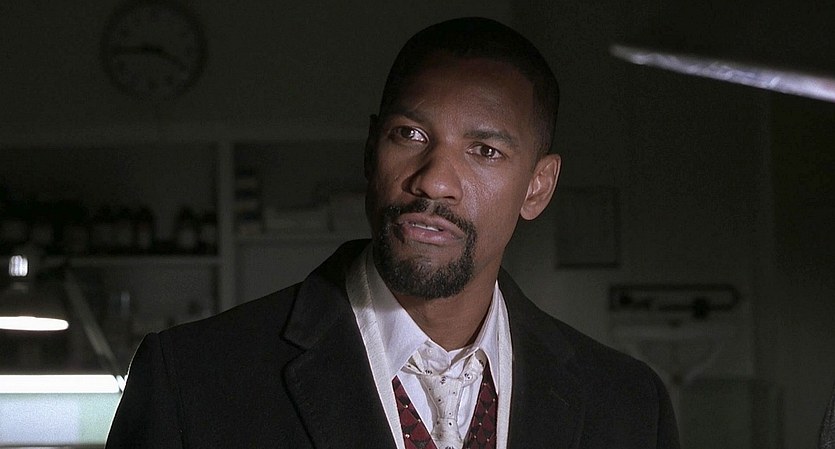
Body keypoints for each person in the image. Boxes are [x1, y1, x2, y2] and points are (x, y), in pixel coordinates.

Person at [106, 17, 679, 449]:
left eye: (484, 150)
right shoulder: (194, 379)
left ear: (538, 186)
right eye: (410, 135)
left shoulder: (628, 404)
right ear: (370, 149)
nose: (434, 182)